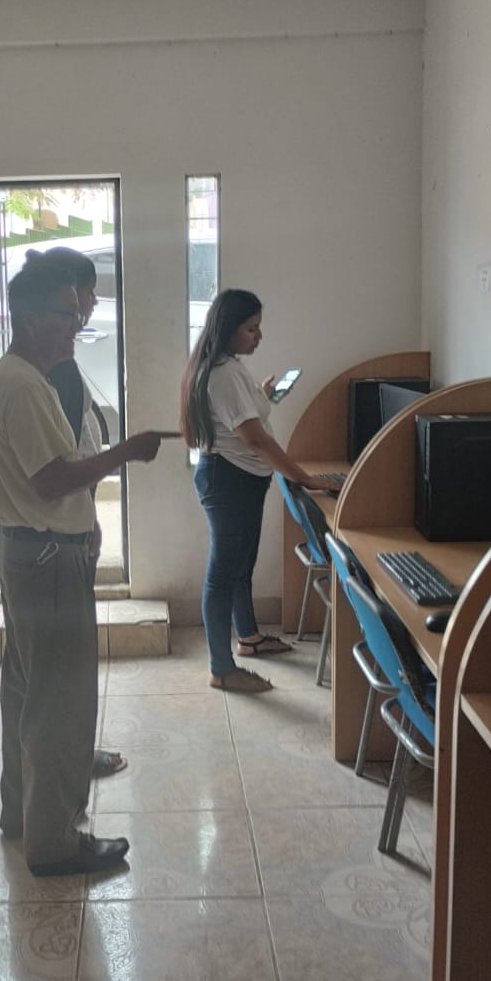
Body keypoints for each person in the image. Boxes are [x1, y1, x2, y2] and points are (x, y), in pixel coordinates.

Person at [0, 260, 162, 876]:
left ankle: (21, 814)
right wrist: (126, 452)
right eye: (67, 313)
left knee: (28, 693)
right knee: (59, 706)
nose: (77, 324)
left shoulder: (15, 376)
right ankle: (55, 843)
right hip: (48, 561)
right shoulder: (26, 388)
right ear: (30, 319)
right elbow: (53, 480)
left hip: (30, 554)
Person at [179, 288, 341, 694]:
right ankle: (221, 669)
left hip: (239, 479)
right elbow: (256, 439)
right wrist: (303, 477)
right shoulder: (223, 374)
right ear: (228, 329)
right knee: (223, 574)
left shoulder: (228, 366)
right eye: (251, 329)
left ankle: (249, 637)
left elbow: (243, 418)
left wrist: (262, 396)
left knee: (241, 564)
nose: (259, 336)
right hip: (229, 481)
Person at [24, 244, 127, 786]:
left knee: (61, 665)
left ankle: (70, 756)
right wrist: (88, 513)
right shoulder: (51, 372)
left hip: (72, 520)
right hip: (62, 531)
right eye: (87, 294)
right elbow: (64, 462)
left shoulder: (53, 365)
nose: (90, 306)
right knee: (66, 667)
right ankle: (70, 760)